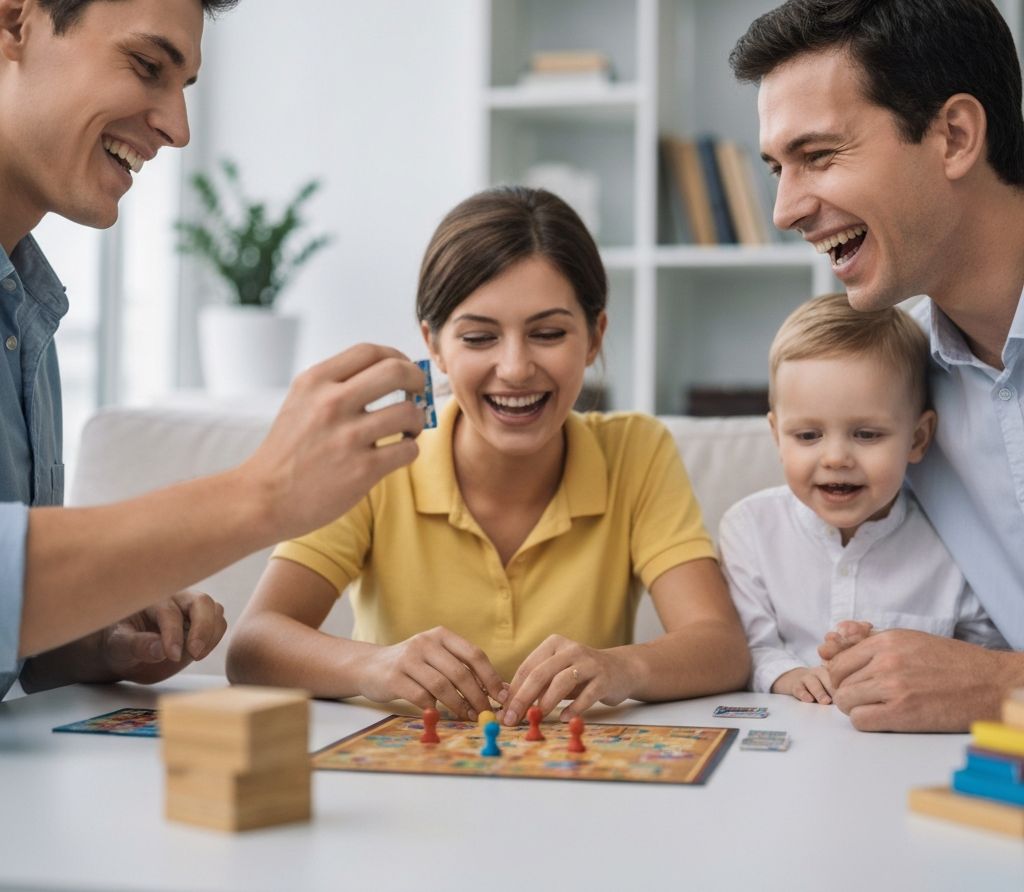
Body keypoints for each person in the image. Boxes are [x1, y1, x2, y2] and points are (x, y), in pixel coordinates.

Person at [0, 0, 426, 701]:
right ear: (13, 18)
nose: (176, 127)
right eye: (147, 65)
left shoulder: (30, 316)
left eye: (184, 86)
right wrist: (264, 491)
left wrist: (86, 641)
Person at [227, 187, 750, 724]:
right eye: (479, 338)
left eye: (547, 333)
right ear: (433, 345)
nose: (516, 367)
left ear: (594, 337)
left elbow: (721, 647)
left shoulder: (637, 453)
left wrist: (621, 669)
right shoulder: (377, 458)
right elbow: (253, 646)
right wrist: (375, 666)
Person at [730, 0, 1024, 731]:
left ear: (954, 135)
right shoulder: (897, 380)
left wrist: (1003, 687)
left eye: (819, 156)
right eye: (776, 169)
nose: (785, 209)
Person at [719, 294, 1006, 705]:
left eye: (867, 434)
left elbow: (985, 654)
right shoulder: (749, 530)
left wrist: (905, 656)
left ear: (918, 438)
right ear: (777, 437)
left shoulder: (955, 542)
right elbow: (744, 647)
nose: (835, 458)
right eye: (807, 436)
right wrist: (788, 675)